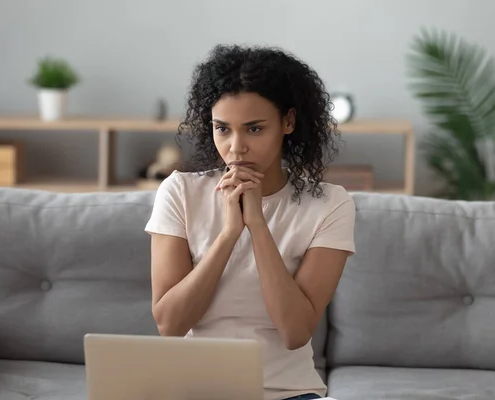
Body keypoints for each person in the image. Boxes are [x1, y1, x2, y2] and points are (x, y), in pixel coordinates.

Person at [144, 44, 356, 400]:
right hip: (194, 391)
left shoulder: (329, 204)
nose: (236, 147)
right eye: (222, 129)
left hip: (289, 393)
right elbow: (170, 324)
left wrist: (257, 225)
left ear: (288, 122)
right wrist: (229, 234)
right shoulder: (180, 192)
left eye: (254, 129)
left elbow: (294, 332)